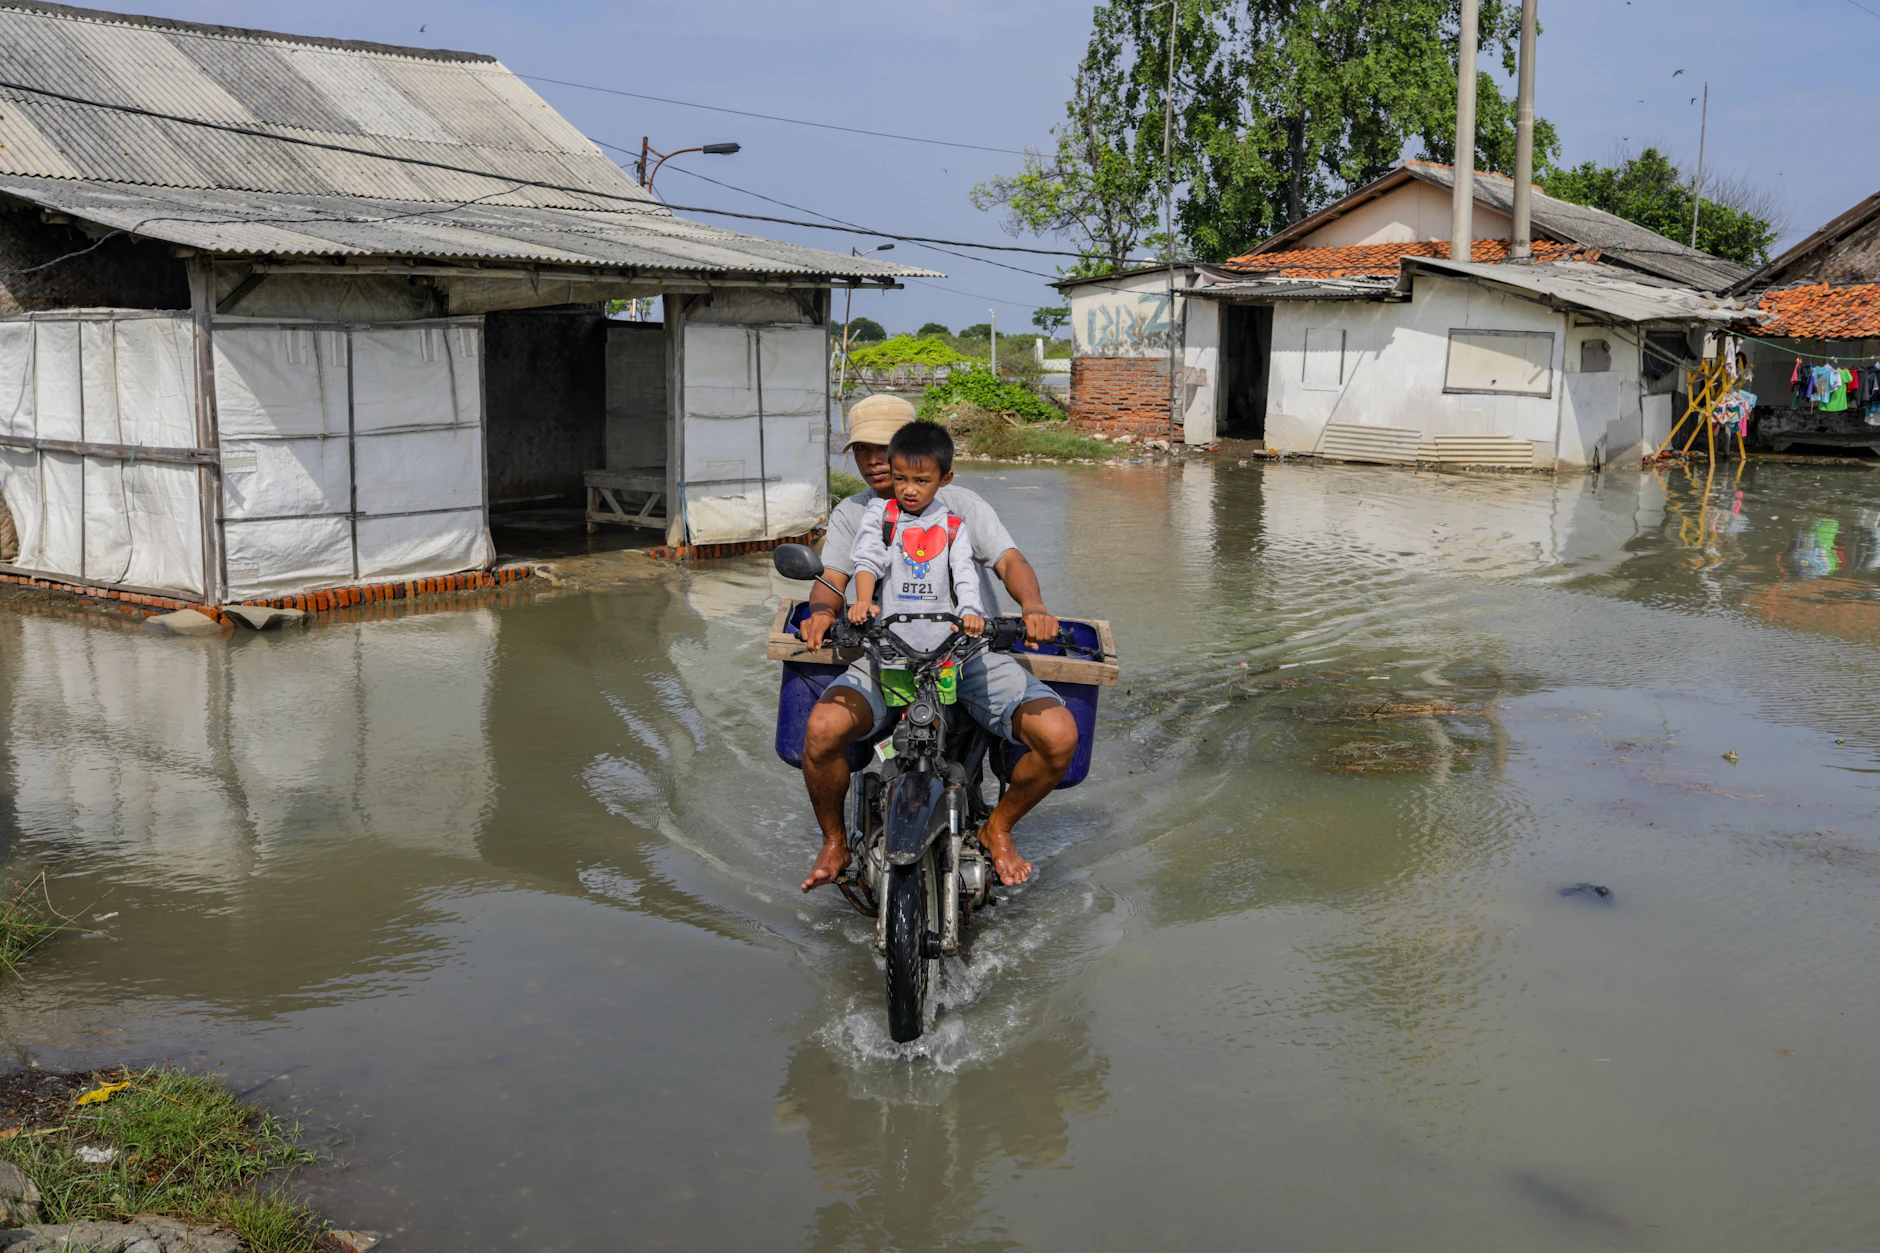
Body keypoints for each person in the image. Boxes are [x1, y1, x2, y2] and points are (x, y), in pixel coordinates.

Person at [799, 395, 1078, 893]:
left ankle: (999, 827)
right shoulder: (856, 513)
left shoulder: (961, 507)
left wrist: (1033, 605)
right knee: (821, 729)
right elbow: (835, 577)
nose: (875, 461)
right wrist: (822, 612)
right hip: (886, 656)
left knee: (1058, 736)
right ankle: (835, 841)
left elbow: (1010, 561)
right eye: (862, 449)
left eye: (885, 447)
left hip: (968, 655)